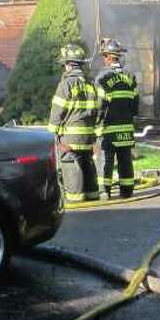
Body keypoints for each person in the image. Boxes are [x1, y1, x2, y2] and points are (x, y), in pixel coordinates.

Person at [48, 43, 100, 205]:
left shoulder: (66, 84)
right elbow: (96, 109)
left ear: (69, 64)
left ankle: (75, 197)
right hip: (87, 135)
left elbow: (57, 111)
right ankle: (92, 193)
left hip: (70, 136)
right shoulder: (90, 84)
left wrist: (53, 133)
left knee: (70, 161)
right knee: (86, 161)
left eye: (64, 64)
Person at [94, 38, 138, 199]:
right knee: (125, 160)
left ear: (107, 57)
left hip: (108, 129)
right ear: (118, 57)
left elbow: (100, 105)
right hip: (126, 128)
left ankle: (104, 191)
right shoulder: (130, 77)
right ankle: (127, 191)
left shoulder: (102, 78)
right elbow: (135, 105)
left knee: (106, 161)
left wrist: (96, 126)